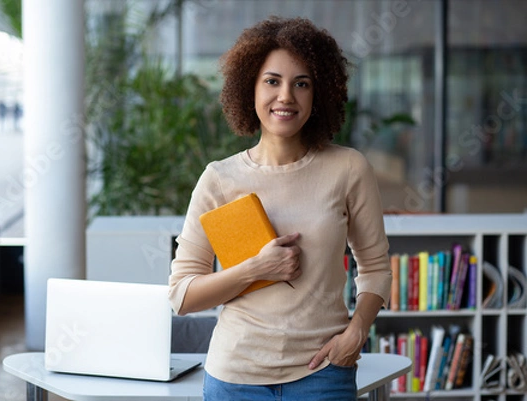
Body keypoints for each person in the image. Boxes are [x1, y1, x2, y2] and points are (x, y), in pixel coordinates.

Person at [168, 16, 392, 401]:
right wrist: (256, 268)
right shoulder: (219, 179)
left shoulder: (348, 168)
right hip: (234, 377)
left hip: (322, 374)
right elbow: (182, 296)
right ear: (249, 89)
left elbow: (375, 266)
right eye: (272, 81)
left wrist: (357, 331)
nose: (286, 96)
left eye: (301, 84)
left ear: (317, 94)